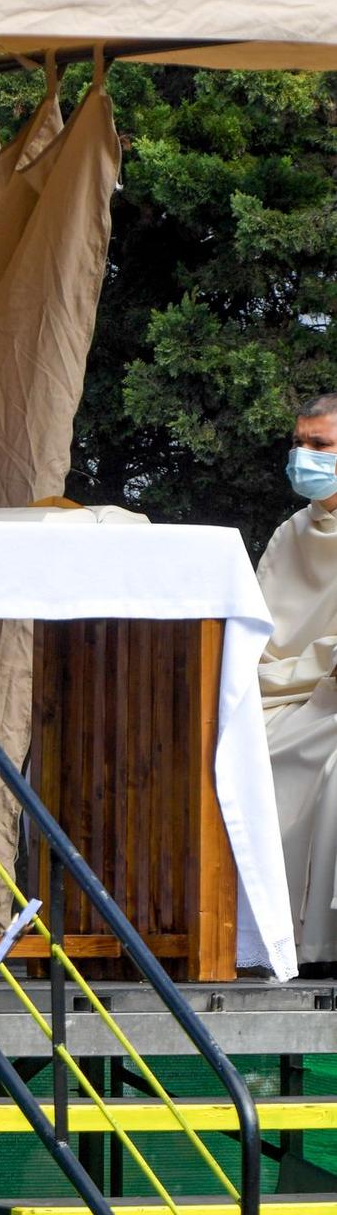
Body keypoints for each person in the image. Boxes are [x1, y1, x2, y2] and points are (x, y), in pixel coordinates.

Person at [257, 393, 337, 968]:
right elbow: (256, 636)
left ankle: (317, 945)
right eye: (299, 442)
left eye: (320, 446)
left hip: (328, 698)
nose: (302, 456)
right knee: (226, 752)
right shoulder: (291, 533)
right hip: (279, 694)